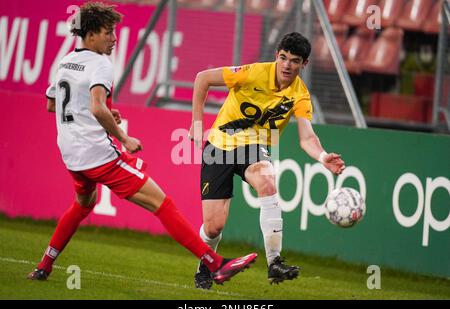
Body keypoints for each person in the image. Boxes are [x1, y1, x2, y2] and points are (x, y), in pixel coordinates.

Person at [27, 2, 257, 284]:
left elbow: (53, 105)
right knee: (163, 203)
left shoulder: (65, 61)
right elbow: (97, 107)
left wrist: (99, 111)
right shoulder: (100, 64)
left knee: (83, 205)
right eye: (108, 33)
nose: (114, 39)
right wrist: (123, 137)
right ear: (91, 35)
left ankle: (44, 265)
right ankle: (215, 263)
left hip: (71, 156)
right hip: (98, 156)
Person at [189, 32, 346, 289]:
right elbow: (202, 79)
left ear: (303, 64)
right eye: (283, 58)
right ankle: (205, 267)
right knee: (213, 227)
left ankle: (274, 263)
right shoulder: (251, 72)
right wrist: (196, 123)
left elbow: (307, 137)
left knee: (267, 182)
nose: (287, 65)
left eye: (295, 61)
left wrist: (321, 156)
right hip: (219, 145)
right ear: (277, 56)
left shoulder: (300, 95)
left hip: (254, 146)